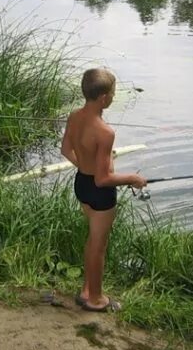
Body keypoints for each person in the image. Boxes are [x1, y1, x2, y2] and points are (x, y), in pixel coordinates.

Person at [60, 68, 147, 312]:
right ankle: (96, 300)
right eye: (113, 93)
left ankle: (87, 289)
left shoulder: (74, 116)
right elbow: (103, 179)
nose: (113, 96)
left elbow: (66, 150)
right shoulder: (105, 132)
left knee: (93, 240)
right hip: (99, 194)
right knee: (99, 247)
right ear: (103, 98)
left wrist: (86, 167)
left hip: (81, 184)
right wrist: (132, 178)